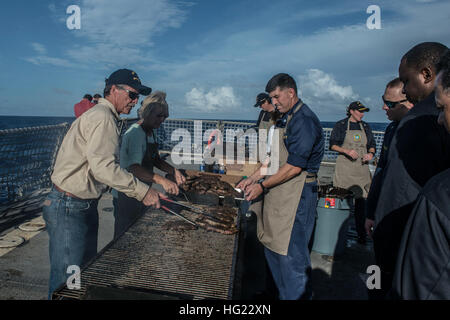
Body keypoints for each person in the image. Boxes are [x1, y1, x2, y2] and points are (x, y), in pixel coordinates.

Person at [43, 69, 163, 299]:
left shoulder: (104, 116)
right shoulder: (103, 118)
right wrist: (144, 191)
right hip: (70, 206)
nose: (135, 101)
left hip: (80, 204)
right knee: (68, 282)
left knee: (79, 275)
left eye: (137, 96)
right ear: (114, 90)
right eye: (131, 95)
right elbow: (104, 168)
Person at [371, 42, 449, 298]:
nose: (404, 89)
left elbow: (399, 193)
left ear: (426, 74)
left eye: (406, 80)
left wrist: (383, 248)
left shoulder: (415, 124)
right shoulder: (432, 122)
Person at [237, 73, 324, 300]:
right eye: (272, 98)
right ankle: (273, 294)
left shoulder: (304, 120)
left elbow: (294, 167)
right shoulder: (285, 118)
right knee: (273, 248)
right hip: (281, 192)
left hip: (298, 195)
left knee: (292, 258)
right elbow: (273, 159)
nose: (274, 102)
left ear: (291, 92)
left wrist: (262, 186)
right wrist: (253, 177)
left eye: (276, 97)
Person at [113, 99, 186, 239]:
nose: (162, 119)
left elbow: (155, 159)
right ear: (146, 113)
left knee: (138, 236)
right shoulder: (136, 133)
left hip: (144, 191)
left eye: (165, 116)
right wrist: (162, 181)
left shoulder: (151, 131)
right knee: (123, 239)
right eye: (159, 115)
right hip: (127, 195)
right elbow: (134, 168)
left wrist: (173, 171)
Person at [365, 79, 413, 240]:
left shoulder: (426, 131)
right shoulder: (391, 129)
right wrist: (371, 212)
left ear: (409, 103)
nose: (384, 107)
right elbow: (381, 171)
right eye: (384, 101)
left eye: (390, 104)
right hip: (384, 210)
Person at [329, 101, 376, 244]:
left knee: (361, 206)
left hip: (361, 171)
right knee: (342, 202)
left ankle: (361, 236)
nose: (362, 114)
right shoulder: (341, 125)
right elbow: (332, 144)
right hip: (345, 171)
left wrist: (370, 155)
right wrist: (346, 151)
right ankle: (335, 234)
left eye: (363, 112)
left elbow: (372, 145)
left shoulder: (366, 126)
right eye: (360, 111)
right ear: (351, 111)